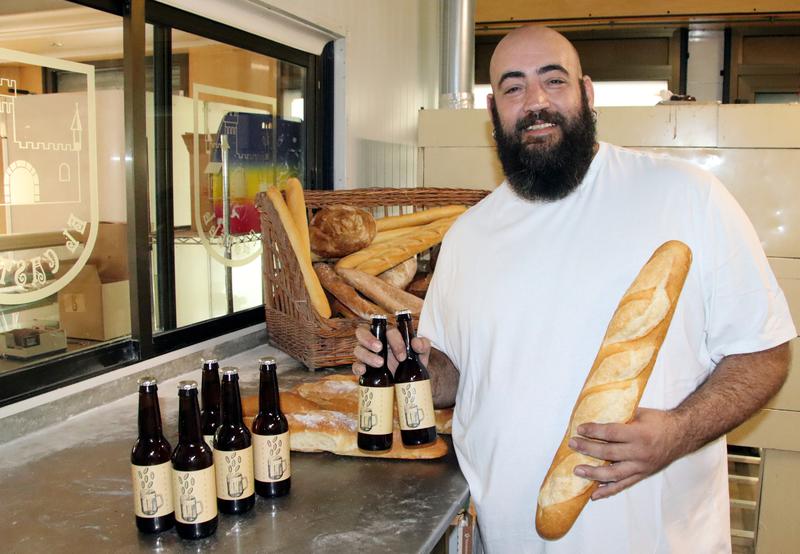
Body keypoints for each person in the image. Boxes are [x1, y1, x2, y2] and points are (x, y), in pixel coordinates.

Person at [352, 25, 795, 553]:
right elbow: (458, 375)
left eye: (553, 81)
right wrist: (410, 368)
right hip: (510, 538)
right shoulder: (470, 234)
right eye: (514, 88)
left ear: (586, 93)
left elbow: (765, 354)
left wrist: (676, 433)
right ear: (494, 110)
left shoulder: (685, 196)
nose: (536, 102)